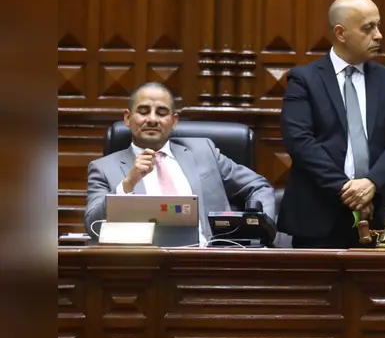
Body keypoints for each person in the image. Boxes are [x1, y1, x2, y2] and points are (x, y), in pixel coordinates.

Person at [279, 0, 385, 248]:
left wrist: (372, 183)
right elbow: (300, 143)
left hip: (380, 214)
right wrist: (348, 190)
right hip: (318, 215)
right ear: (340, 33)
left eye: (378, 25)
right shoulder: (304, 80)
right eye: (368, 28)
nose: (379, 35)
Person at [84, 82, 275, 244]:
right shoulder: (103, 168)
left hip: (211, 261)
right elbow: (93, 227)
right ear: (127, 118)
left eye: (161, 112)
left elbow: (258, 186)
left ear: (174, 121)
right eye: (143, 111)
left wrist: (261, 231)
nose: (152, 119)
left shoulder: (204, 151)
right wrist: (127, 186)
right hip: (144, 267)